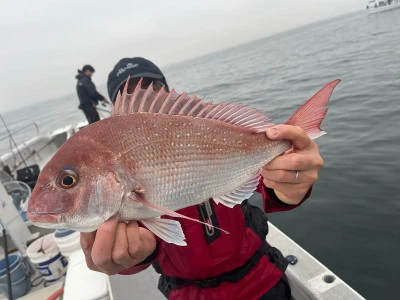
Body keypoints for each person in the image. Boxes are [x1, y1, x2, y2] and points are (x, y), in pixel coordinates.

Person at [80, 57, 324, 299]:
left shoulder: (202, 124)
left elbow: (268, 184)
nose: (146, 99)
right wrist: (126, 259)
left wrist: (290, 183)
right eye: (128, 94)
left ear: (167, 91)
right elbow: (138, 240)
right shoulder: (110, 163)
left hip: (262, 278)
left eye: (152, 87)